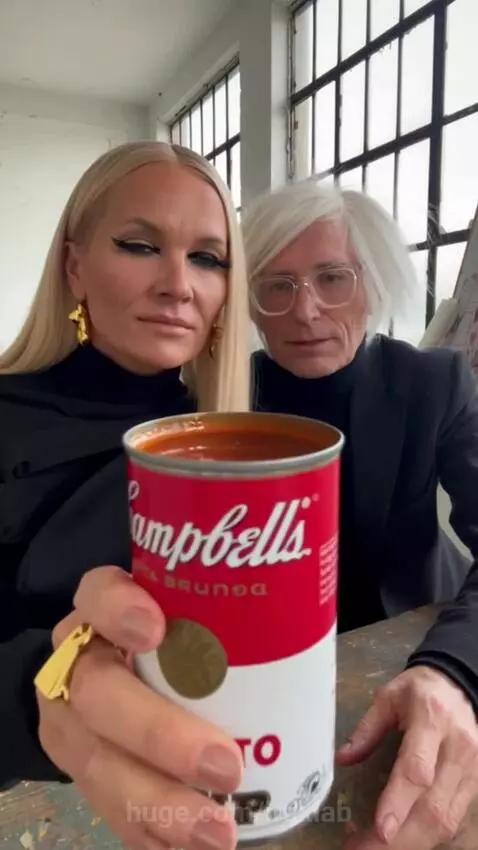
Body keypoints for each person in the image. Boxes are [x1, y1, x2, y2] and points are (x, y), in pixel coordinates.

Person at [0, 140, 250, 850]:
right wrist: (37, 697)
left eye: (208, 258)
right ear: (74, 268)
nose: (179, 284)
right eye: (140, 246)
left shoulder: (236, 450)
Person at [242, 177, 478, 850]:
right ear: (249, 302)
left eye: (332, 278)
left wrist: (455, 669)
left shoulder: (434, 382)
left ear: (370, 283)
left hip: (408, 637)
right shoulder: (220, 396)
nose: (305, 310)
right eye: (276, 285)